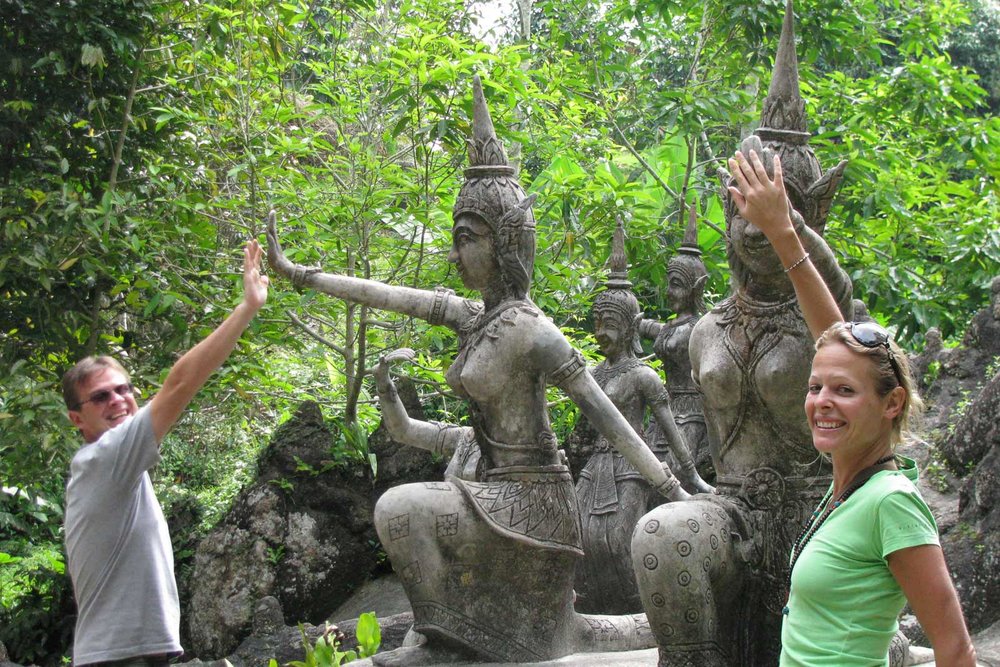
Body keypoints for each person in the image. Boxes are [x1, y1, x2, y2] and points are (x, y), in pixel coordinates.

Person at [267, 75, 685, 665]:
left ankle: (437, 643)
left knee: (402, 508)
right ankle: (435, 639)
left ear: (508, 242)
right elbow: (386, 293)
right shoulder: (473, 318)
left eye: (467, 239)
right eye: (455, 239)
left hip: (535, 500)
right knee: (408, 508)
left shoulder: (533, 331)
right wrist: (303, 276)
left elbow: (610, 418)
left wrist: (678, 489)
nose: (454, 255)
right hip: (486, 490)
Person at [728, 147, 977, 666]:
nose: (822, 402)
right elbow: (833, 341)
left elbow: (954, 648)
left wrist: (788, 232)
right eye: (816, 387)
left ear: (892, 404)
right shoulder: (852, 487)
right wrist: (779, 234)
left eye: (844, 392)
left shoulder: (890, 502)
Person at [62, 240, 268, 666]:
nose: (118, 401)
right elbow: (179, 385)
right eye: (100, 397)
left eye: (124, 389)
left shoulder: (118, 466)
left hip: (139, 652)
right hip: (120, 658)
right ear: (77, 420)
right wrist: (246, 308)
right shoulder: (104, 459)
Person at [572, 220, 712, 614]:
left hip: (684, 417)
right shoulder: (598, 373)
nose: (600, 332)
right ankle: (590, 602)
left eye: (609, 324)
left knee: (619, 537)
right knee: (580, 532)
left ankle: (640, 602)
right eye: (596, 324)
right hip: (604, 460)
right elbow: (585, 427)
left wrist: (692, 476)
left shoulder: (657, 363)